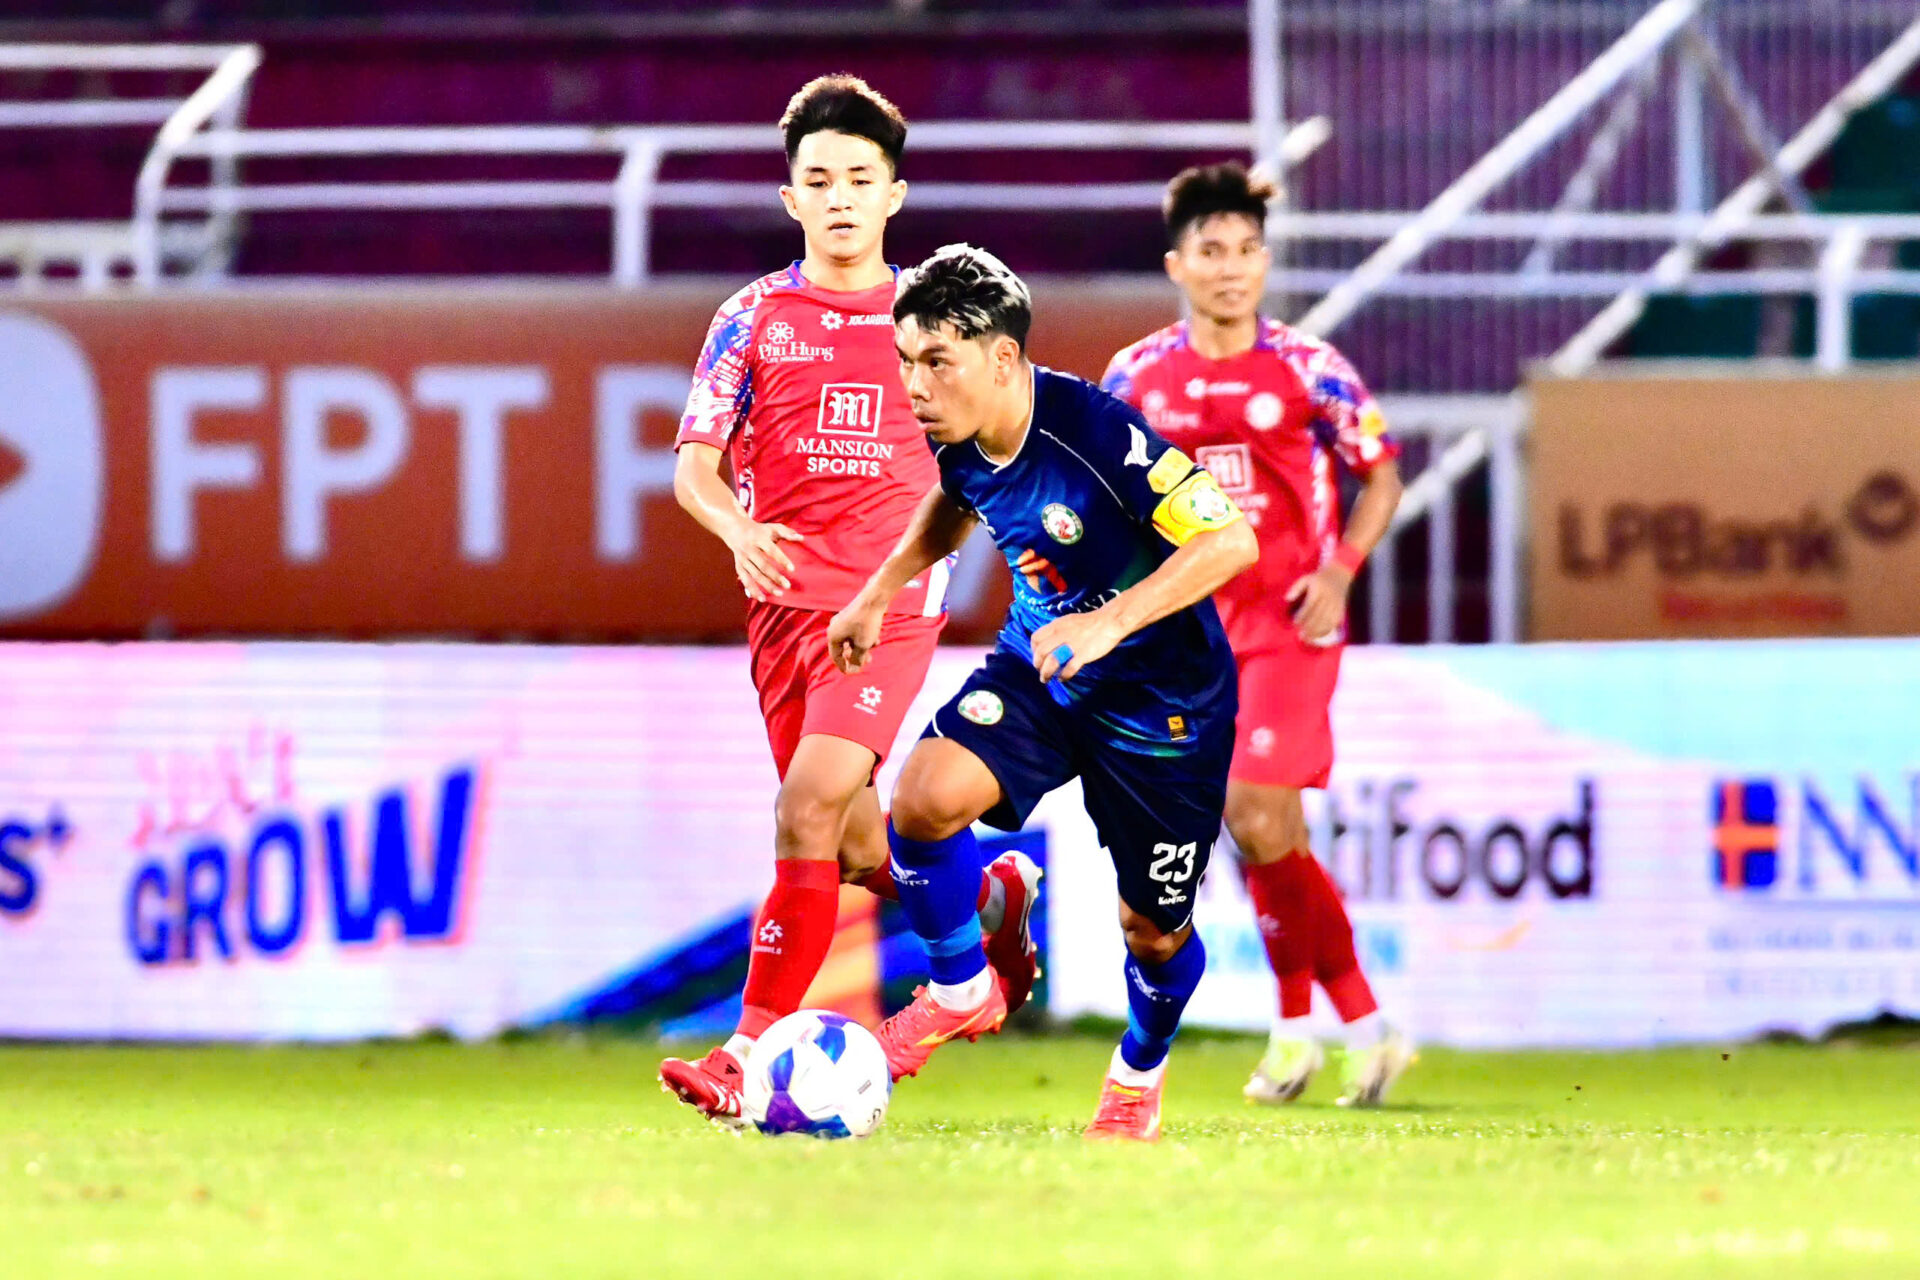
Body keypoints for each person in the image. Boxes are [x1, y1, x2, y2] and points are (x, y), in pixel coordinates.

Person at [659, 77, 1041, 1130]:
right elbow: (692, 468)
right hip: (783, 609)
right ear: (791, 198)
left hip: (886, 606)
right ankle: (989, 908)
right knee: (860, 847)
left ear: (894, 195)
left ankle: (744, 1055)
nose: (839, 198)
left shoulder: (938, 320)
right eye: (819, 180)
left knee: (803, 808)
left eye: (860, 180)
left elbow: (1007, 443)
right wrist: (738, 530)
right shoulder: (751, 317)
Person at [828, 244, 1258, 1142]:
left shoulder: (1096, 438)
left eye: (936, 361)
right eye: (905, 360)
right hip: (1043, 667)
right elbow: (958, 496)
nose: (914, 385)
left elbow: (1229, 541)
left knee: (1152, 931)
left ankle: (1137, 1070)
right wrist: (878, 591)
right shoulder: (958, 430)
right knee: (921, 801)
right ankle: (961, 985)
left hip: (1160, 709)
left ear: (1003, 359)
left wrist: (1107, 623)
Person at [1102, 161, 1412, 1107]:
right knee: (1271, 834)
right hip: (1193, 638)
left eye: (1246, 250)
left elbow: (1381, 473)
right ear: (1178, 265)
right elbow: (1108, 499)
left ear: (1265, 262)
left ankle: (1314, 1030)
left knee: (1250, 810)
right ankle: (1345, 1032)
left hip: (1289, 625)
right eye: (1212, 251)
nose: (1232, 267)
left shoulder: (1309, 367)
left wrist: (1340, 569)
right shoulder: (1136, 378)